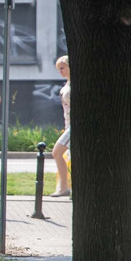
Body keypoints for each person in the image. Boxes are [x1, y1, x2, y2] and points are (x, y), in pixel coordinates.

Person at [50, 56, 72, 197]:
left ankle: (63, 187)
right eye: (58, 69)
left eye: (62, 68)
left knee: (57, 152)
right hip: (69, 125)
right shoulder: (67, 85)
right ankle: (65, 187)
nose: (60, 71)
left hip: (75, 127)